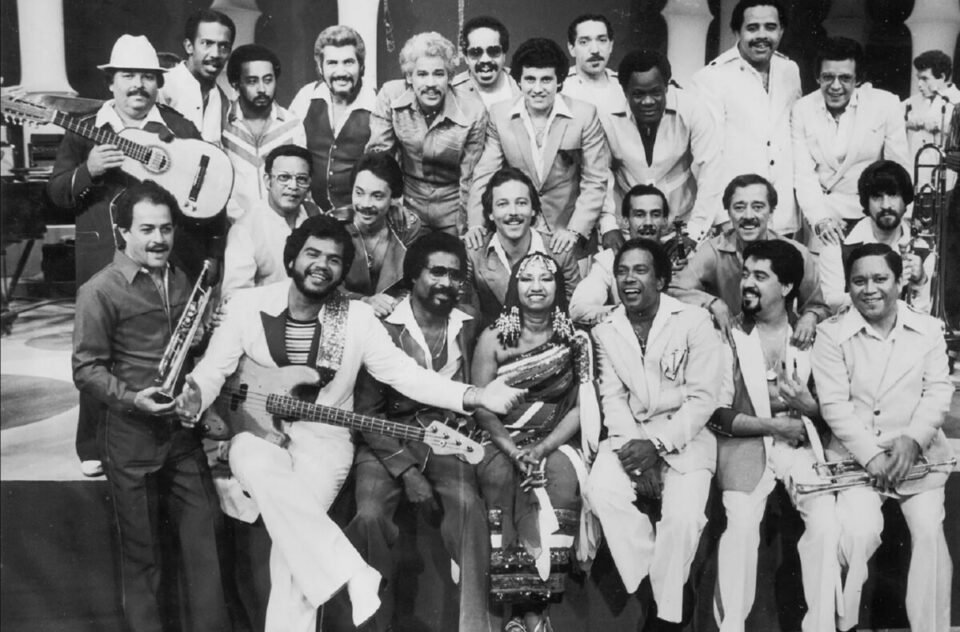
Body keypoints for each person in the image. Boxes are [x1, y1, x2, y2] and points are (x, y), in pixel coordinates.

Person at [177, 214, 525, 632]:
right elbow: (213, 371)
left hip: (323, 442)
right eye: (312, 254)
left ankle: (343, 579)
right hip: (254, 433)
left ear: (343, 271)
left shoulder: (356, 319)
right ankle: (352, 572)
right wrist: (195, 397)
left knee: (293, 557)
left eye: (334, 259)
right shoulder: (247, 306)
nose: (321, 265)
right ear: (291, 260)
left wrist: (476, 395)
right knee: (251, 457)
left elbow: (406, 375)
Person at [46, 34, 210, 478]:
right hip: (104, 254)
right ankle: (93, 444)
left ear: (159, 83)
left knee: (163, 345)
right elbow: (57, 193)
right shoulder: (85, 128)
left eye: (147, 77)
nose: (138, 85)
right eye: (128, 76)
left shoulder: (178, 127)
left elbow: (201, 188)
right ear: (111, 82)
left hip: (161, 257)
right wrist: (88, 171)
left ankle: (169, 435)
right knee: (97, 350)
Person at [72, 180, 229, 632]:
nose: (159, 239)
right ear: (123, 232)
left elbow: (189, 350)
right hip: (130, 437)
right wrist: (132, 399)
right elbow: (86, 369)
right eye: (146, 229)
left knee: (206, 547)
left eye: (166, 228)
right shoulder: (99, 290)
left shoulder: (182, 279)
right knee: (143, 560)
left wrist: (201, 340)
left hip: (181, 434)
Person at [346, 232, 492, 632]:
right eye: (437, 272)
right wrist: (407, 472)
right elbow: (367, 412)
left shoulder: (467, 321)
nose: (447, 282)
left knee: (469, 508)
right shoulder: (383, 326)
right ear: (413, 274)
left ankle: (475, 627)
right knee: (369, 516)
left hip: (447, 437)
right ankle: (374, 625)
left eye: (455, 275)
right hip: (386, 436)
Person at [812, 243, 954, 632]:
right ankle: (845, 624)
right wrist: (873, 457)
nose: (869, 289)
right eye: (859, 281)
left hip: (919, 457)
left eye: (880, 279)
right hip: (857, 459)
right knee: (859, 533)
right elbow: (834, 406)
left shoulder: (928, 329)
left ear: (899, 281)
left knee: (929, 531)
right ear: (848, 285)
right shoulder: (831, 333)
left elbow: (938, 391)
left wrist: (913, 440)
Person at [586, 238, 722, 631]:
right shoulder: (606, 331)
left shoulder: (694, 321)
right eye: (622, 271)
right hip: (631, 437)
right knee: (601, 492)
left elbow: (703, 399)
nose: (629, 279)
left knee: (683, 520)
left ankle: (664, 619)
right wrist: (635, 455)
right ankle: (661, 585)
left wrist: (658, 447)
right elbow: (613, 400)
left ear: (661, 280)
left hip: (687, 438)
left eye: (640, 270)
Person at [708, 240, 839, 632]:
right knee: (741, 525)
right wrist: (774, 426)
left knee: (828, 524)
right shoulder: (727, 335)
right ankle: (731, 626)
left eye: (760, 276)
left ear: (786, 287)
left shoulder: (816, 335)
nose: (747, 283)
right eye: (746, 274)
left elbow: (835, 410)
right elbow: (717, 414)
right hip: (746, 447)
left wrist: (809, 408)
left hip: (802, 446)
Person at [472, 251, 599, 632]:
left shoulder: (576, 339)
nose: (536, 286)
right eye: (527, 279)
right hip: (500, 439)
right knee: (499, 478)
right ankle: (517, 612)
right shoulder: (492, 338)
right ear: (515, 287)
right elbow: (481, 406)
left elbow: (580, 407)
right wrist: (513, 451)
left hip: (554, 440)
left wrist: (541, 449)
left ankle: (536, 610)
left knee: (559, 480)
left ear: (558, 286)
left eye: (546, 278)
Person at [465, 37, 610, 255]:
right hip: (518, 233)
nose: (538, 88)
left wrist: (574, 231)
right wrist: (476, 224)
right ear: (519, 81)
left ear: (559, 81)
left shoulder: (584, 114)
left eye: (546, 80)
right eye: (530, 79)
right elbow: (484, 174)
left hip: (568, 233)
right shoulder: (499, 114)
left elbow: (595, 180)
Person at [671, 174, 829, 348]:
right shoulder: (713, 251)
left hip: (781, 344)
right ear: (728, 212)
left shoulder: (796, 253)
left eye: (758, 207)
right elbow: (674, 289)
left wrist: (810, 316)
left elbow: (818, 307)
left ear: (771, 211)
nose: (748, 215)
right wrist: (711, 302)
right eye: (739, 207)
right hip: (728, 345)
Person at [691, 0, 801, 236]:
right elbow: (706, 158)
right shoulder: (712, 78)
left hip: (782, 217)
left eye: (770, 27)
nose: (762, 36)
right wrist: (722, 218)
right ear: (737, 31)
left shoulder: (790, 70)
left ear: (781, 30)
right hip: (737, 218)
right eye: (752, 28)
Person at [792, 37, 911, 250]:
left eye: (845, 78)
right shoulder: (802, 109)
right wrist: (820, 219)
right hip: (823, 217)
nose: (835, 86)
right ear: (817, 77)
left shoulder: (885, 104)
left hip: (871, 216)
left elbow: (899, 169)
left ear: (858, 79)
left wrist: (902, 219)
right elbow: (803, 175)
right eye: (828, 77)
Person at [366, 32, 488, 235]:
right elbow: (380, 157)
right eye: (422, 74)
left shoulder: (473, 111)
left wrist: (464, 225)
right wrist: (392, 201)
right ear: (409, 77)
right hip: (408, 201)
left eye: (439, 74)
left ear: (450, 77)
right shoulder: (391, 96)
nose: (431, 84)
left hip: (453, 203)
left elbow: (470, 177)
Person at [605, 50, 723, 243]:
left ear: (666, 87)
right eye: (638, 94)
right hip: (628, 229)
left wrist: (694, 232)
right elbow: (601, 175)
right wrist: (608, 226)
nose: (648, 101)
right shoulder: (607, 116)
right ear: (624, 91)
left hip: (682, 227)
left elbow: (710, 173)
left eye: (656, 92)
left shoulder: (693, 109)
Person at [465, 167, 581, 327]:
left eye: (521, 203)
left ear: (533, 210)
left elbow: (574, 310)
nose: (513, 212)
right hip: (492, 338)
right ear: (490, 213)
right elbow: (466, 314)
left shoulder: (559, 251)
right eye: (502, 204)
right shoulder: (475, 253)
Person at [570, 183, 697, 324]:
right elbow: (578, 309)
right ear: (625, 221)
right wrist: (629, 313)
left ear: (665, 221)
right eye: (639, 215)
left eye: (655, 215)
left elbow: (698, 308)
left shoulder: (681, 257)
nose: (648, 222)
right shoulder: (609, 260)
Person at [819, 160, 935, 312]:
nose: (886, 205)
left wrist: (920, 282)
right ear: (865, 202)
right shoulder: (838, 241)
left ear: (905, 199)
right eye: (877, 197)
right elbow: (832, 302)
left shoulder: (923, 249)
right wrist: (886, 294)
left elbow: (924, 315)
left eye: (893, 195)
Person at [559, 14, 628, 253]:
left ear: (611, 44)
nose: (595, 49)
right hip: (576, 205)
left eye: (602, 40)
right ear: (571, 48)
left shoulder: (624, 89)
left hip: (621, 203)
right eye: (584, 41)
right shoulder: (561, 90)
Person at [290, 25, 376, 212]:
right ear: (320, 68)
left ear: (361, 66)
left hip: (360, 216)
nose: (341, 72)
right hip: (311, 214)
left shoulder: (377, 104)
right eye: (332, 63)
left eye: (348, 62)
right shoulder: (306, 97)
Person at [222, 144, 320, 298]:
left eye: (301, 179)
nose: (293, 186)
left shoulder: (314, 215)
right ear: (268, 181)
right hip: (265, 311)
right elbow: (234, 296)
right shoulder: (245, 230)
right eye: (284, 177)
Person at [222, 44, 306, 220]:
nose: (262, 89)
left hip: (283, 227)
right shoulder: (222, 125)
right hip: (233, 226)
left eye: (268, 80)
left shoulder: (292, 126)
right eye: (252, 81)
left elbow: (301, 185)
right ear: (236, 84)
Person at [336, 151, 425, 316]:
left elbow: (413, 282)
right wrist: (364, 301)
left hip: (391, 313)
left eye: (377, 196)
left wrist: (394, 304)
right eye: (359, 193)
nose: (365, 204)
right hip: (344, 314)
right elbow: (324, 286)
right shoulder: (334, 225)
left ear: (393, 197)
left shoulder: (406, 228)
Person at [160, 8, 235, 143]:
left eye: (224, 46)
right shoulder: (161, 86)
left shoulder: (225, 104)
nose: (216, 54)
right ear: (189, 46)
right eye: (207, 43)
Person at [904, 50, 960, 167]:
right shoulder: (914, 100)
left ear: (942, 77)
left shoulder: (956, 100)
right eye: (918, 79)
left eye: (925, 79)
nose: (919, 84)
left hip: (946, 171)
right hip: (915, 168)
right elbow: (893, 116)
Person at [452, 16, 520, 109]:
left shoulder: (521, 84)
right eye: (476, 52)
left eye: (493, 51)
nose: (485, 60)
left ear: (504, 54)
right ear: (466, 57)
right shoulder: (452, 91)